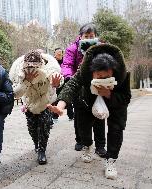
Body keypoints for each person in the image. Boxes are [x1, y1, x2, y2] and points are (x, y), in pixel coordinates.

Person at [48, 44, 131, 180]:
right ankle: (88, 145)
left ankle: (111, 160)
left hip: (115, 106)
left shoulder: (123, 75)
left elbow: (126, 98)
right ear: (92, 71)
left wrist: (109, 94)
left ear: (113, 72)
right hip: (87, 102)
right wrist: (60, 106)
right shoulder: (84, 72)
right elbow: (71, 86)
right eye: (99, 76)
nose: (102, 79)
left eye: (107, 77)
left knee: (116, 129)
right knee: (83, 127)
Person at [9, 50, 63, 165]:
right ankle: (36, 144)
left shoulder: (49, 69)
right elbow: (16, 94)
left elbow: (58, 79)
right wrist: (27, 81)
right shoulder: (20, 73)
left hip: (46, 103)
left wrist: (56, 83)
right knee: (32, 128)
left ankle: (42, 150)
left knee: (44, 126)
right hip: (29, 104)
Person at [61, 23, 106, 157]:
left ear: (96, 37)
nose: (89, 38)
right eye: (86, 36)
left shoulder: (100, 47)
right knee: (80, 117)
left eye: (91, 36)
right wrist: (69, 77)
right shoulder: (72, 49)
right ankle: (80, 140)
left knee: (99, 115)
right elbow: (67, 64)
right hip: (78, 85)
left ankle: (100, 145)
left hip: (97, 85)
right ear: (80, 36)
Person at [53, 48, 74, 121]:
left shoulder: (65, 62)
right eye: (57, 53)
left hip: (65, 82)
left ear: (62, 54)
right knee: (55, 99)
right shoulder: (52, 62)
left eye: (60, 52)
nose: (59, 54)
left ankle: (71, 116)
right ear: (54, 54)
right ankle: (54, 117)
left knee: (67, 99)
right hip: (56, 82)